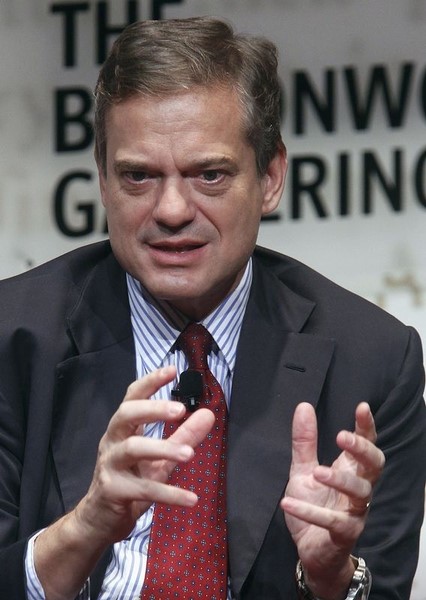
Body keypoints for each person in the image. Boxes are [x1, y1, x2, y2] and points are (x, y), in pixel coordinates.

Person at [0, 16, 425, 600]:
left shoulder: (375, 361)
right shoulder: (11, 339)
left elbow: (382, 586)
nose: (172, 209)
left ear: (271, 177)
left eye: (209, 175)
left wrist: (329, 579)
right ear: (101, 179)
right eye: (138, 176)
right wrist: (88, 524)